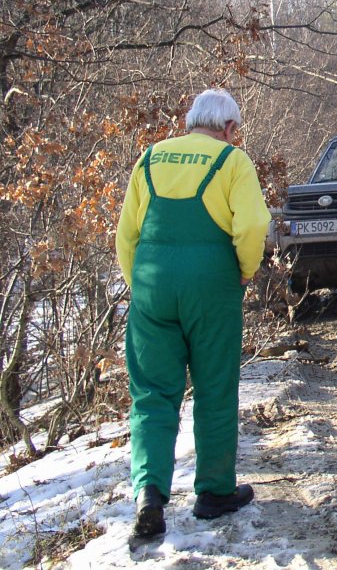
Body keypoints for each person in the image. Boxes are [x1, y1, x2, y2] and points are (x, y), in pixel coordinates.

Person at [115, 88, 271, 543]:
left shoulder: (150, 159)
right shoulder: (232, 161)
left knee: (151, 393)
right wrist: (244, 271)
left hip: (152, 287)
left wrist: (141, 285)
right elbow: (253, 225)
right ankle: (214, 492)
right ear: (228, 128)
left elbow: (127, 234)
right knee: (214, 387)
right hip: (211, 286)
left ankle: (149, 494)